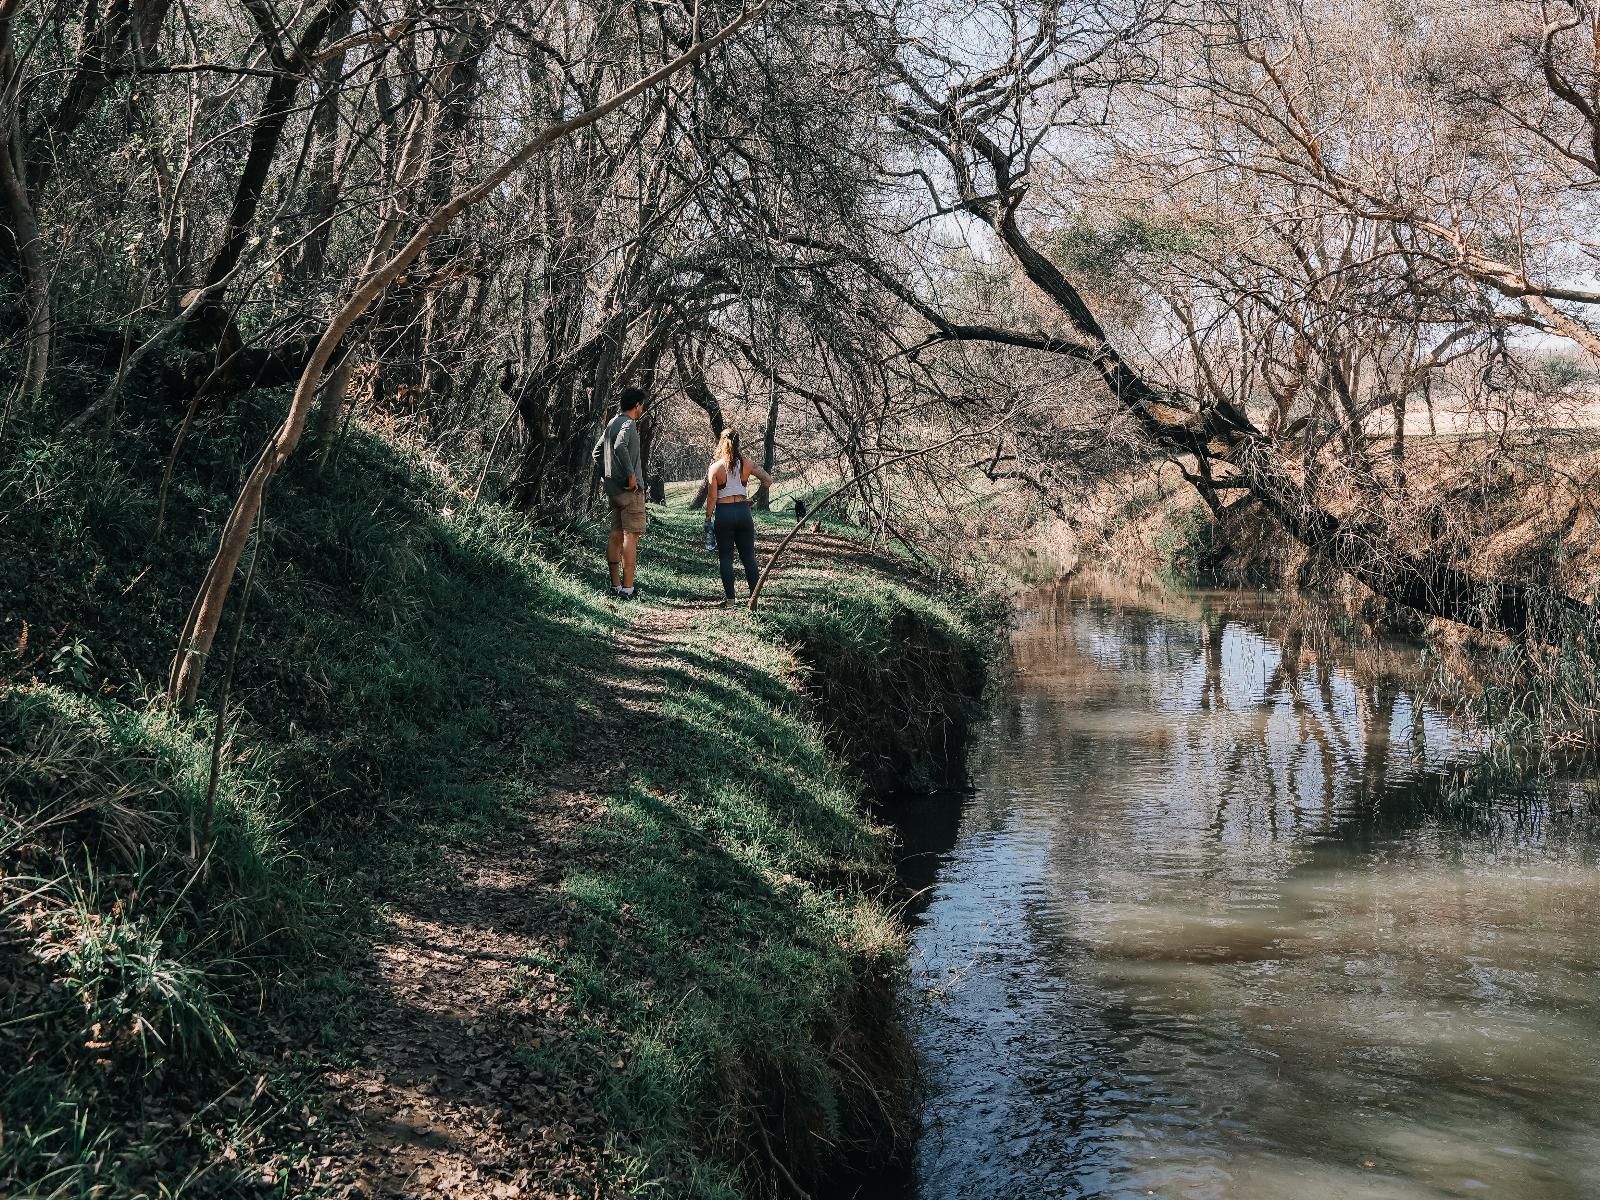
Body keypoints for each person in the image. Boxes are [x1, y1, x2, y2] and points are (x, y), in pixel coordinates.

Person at [703, 428, 774, 605]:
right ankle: (753, 599)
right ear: (738, 443)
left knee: (725, 557)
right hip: (743, 512)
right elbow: (768, 480)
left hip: (724, 513)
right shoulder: (747, 464)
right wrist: (753, 499)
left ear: (721, 442)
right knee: (748, 556)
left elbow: (712, 497)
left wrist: (708, 518)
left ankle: (730, 600)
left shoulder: (715, 468)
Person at [592, 387, 648, 600]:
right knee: (630, 536)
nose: (642, 408)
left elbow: (597, 452)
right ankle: (628, 589)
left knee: (615, 534)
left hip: (614, 491)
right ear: (636, 405)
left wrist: (610, 475)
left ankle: (614, 586)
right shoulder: (628, 424)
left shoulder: (612, 423)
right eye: (641, 405)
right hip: (630, 492)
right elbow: (619, 446)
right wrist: (630, 475)